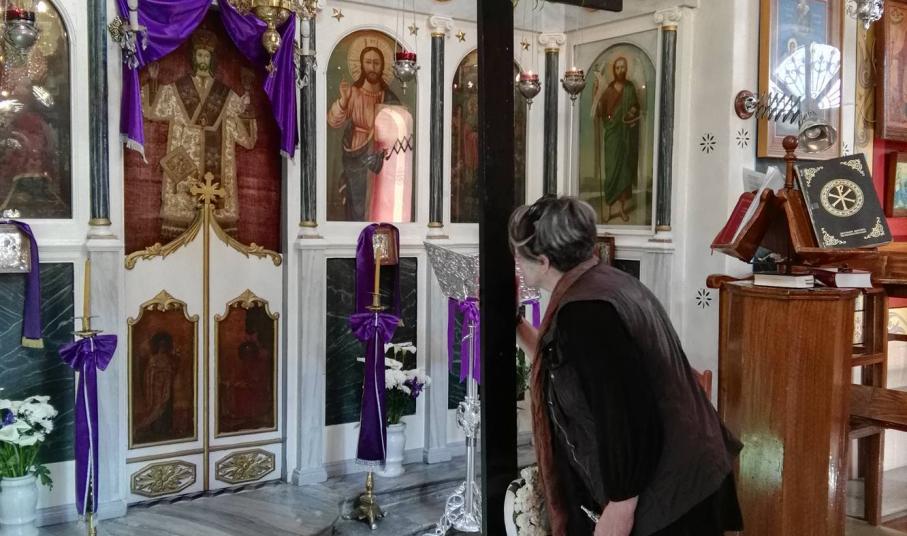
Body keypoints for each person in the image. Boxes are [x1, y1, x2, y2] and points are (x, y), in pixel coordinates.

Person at [511, 195, 743, 536]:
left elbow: (625, 412)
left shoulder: (586, 313)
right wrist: (516, 322)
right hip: (691, 479)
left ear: (544, 262)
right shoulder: (603, 283)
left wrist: (620, 505)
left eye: (519, 255)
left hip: (671, 497)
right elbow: (564, 368)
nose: (516, 262)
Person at [143, 28, 257, 239]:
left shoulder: (227, 96)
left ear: (212, 59)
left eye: (206, 56)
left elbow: (247, 139)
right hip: (185, 168)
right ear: (194, 57)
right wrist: (153, 81)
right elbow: (152, 109)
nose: (203, 60)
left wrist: (247, 111)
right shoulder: (178, 89)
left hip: (217, 174)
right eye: (199, 55)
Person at [327, 45, 400, 220]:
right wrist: (343, 100)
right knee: (357, 203)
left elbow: (399, 128)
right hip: (356, 153)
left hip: (381, 154)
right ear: (361, 64)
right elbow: (333, 121)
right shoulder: (353, 93)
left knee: (380, 200)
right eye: (368, 62)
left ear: (382, 66)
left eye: (376, 63)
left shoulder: (389, 97)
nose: (372, 67)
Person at [592, 57, 640, 223]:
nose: (620, 70)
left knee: (624, 173)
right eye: (618, 67)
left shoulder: (630, 87)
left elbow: (636, 106)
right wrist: (596, 93)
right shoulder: (608, 89)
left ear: (626, 69)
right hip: (612, 134)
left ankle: (621, 209)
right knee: (612, 171)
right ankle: (609, 209)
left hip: (626, 135)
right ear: (614, 70)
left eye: (623, 67)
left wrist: (631, 111)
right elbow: (601, 111)